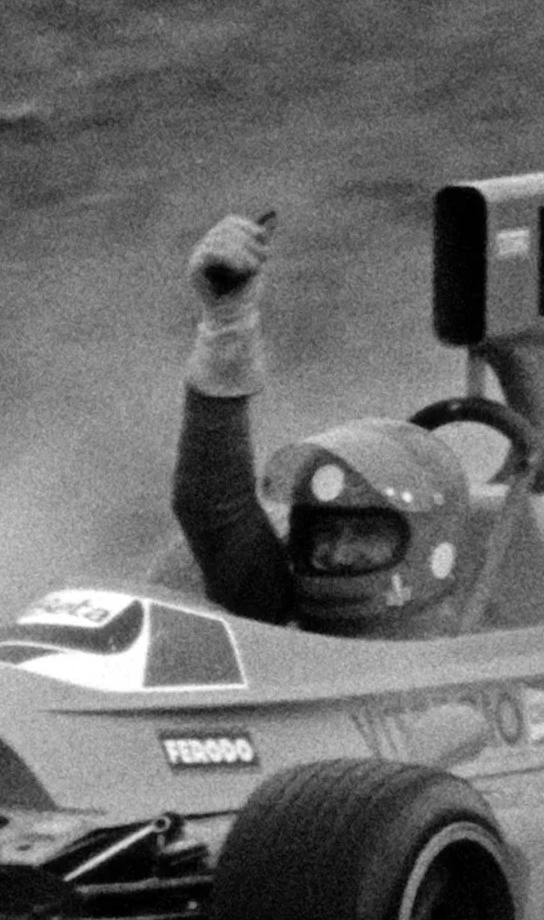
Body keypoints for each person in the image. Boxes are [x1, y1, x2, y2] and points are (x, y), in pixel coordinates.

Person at [170, 213, 477, 639]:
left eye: (365, 537)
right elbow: (210, 506)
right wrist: (226, 324)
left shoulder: (486, 644)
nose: (338, 552)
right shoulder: (280, 612)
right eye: (324, 538)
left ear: (426, 542)